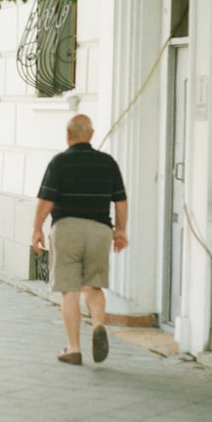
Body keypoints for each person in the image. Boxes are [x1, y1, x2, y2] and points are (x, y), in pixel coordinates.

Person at [31, 114, 129, 366]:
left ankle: (74, 348)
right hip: (99, 230)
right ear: (91, 134)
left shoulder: (60, 163)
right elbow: (120, 200)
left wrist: (37, 229)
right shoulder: (108, 163)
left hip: (67, 229)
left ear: (68, 134)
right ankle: (98, 324)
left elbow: (46, 200)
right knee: (93, 287)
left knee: (70, 290)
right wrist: (120, 230)